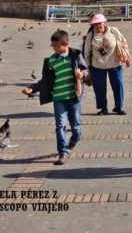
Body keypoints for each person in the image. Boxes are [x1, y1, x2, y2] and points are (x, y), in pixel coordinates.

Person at [22, 30, 87, 165]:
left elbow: (85, 70)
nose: (54, 49)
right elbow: (45, 81)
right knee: (60, 125)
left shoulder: (75, 55)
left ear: (65, 44)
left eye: (56, 46)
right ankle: (62, 152)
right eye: (52, 46)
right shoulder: (51, 61)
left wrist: (82, 75)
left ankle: (75, 139)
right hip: (59, 98)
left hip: (74, 97)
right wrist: (32, 88)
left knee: (76, 126)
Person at [82, 13, 132, 115]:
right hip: (97, 66)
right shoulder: (90, 36)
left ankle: (119, 106)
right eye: (95, 24)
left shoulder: (113, 31)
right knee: (100, 88)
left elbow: (124, 43)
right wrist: (88, 67)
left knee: (118, 85)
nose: (97, 26)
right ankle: (103, 108)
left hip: (115, 64)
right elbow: (86, 52)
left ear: (104, 22)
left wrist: (125, 55)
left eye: (99, 23)